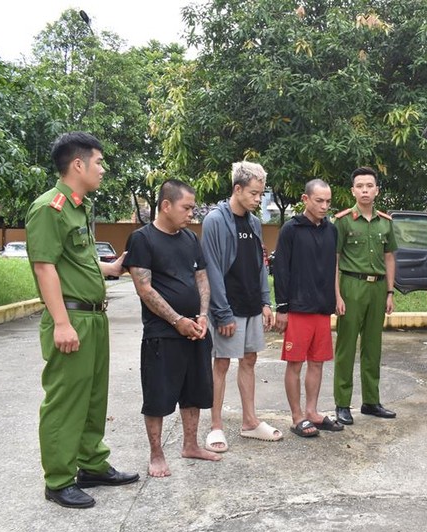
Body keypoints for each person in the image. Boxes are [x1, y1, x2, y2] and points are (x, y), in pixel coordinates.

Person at [25, 132, 138, 509]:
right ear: (79, 164)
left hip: (94, 319)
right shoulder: (49, 208)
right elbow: (44, 268)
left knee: (92, 397)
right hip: (70, 317)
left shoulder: (80, 207)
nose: (103, 169)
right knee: (65, 400)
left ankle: (91, 464)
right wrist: (60, 322)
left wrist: (114, 267)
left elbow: (78, 261)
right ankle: (58, 479)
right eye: (99, 162)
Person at [124, 180, 222, 477]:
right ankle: (156, 454)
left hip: (196, 330)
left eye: (193, 207)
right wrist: (177, 321)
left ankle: (190, 444)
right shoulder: (142, 239)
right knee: (158, 396)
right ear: (166, 205)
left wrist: (203, 316)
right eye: (187, 207)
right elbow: (145, 289)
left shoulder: (190, 239)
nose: (192, 213)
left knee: (195, 391)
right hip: (162, 334)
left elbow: (202, 278)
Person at [201, 161, 281, 452]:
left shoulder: (254, 222)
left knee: (249, 361)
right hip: (228, 309)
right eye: (254, 194)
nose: (259, 199)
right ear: (237, 189)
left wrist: (265, 302)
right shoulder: (215, 221)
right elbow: (211, 270)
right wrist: (221, 313)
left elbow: (260, 265)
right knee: (221, 363)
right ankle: (215, 427)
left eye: (261, 194)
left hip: (251, 306)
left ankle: (249, 422)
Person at [273, 179, 341, 437]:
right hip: (298, 309)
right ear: (305, 199)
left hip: (322, 309)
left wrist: (336, 297)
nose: (324, 206)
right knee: (295, 364)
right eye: (319, 201)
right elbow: (281, 270)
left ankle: (312, 411)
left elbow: (332, 267)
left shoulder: (331, 230)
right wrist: (282, 308)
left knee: (317, 363)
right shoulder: (290, 229)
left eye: (328, 201)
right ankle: (297, 416)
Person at [333, 166, 399, 425]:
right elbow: (335, 260)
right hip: (352, 286)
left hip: (378, 288)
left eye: (369, 186)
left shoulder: (386, 222)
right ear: (353, 190)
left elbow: (389, 257)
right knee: (346, 347)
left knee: (373, 346)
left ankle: (371, 401)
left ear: (376, 190)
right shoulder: (343, 220)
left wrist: (390, 292)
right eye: (359, 186)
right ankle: (342, 404)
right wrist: (336, 294)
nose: (364, 190)